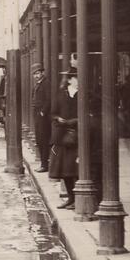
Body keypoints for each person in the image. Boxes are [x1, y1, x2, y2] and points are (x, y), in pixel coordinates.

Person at [49, 71, 80, 208]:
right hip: (62, 137)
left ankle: (78, 198)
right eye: (76, 78)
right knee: (65, 170)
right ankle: (70, 197)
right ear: (69, 80)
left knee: (76, 169)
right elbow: (53, 113)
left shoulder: (84, 94)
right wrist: (57, 118)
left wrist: (74, 121)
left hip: (77, 135)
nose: (79, 80)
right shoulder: (61, 95)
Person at [31, 64, 50, 171]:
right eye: (34, 74)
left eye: (38, 73)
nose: (36, 76)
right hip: (37, 114)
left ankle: (44, 165)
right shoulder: (37, 85)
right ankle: (43, 163)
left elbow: (49, 99)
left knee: (43, 139)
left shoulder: (46, 84)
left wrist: (43, 111)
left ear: (42, 72)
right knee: (39, 139)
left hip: (43, 115)